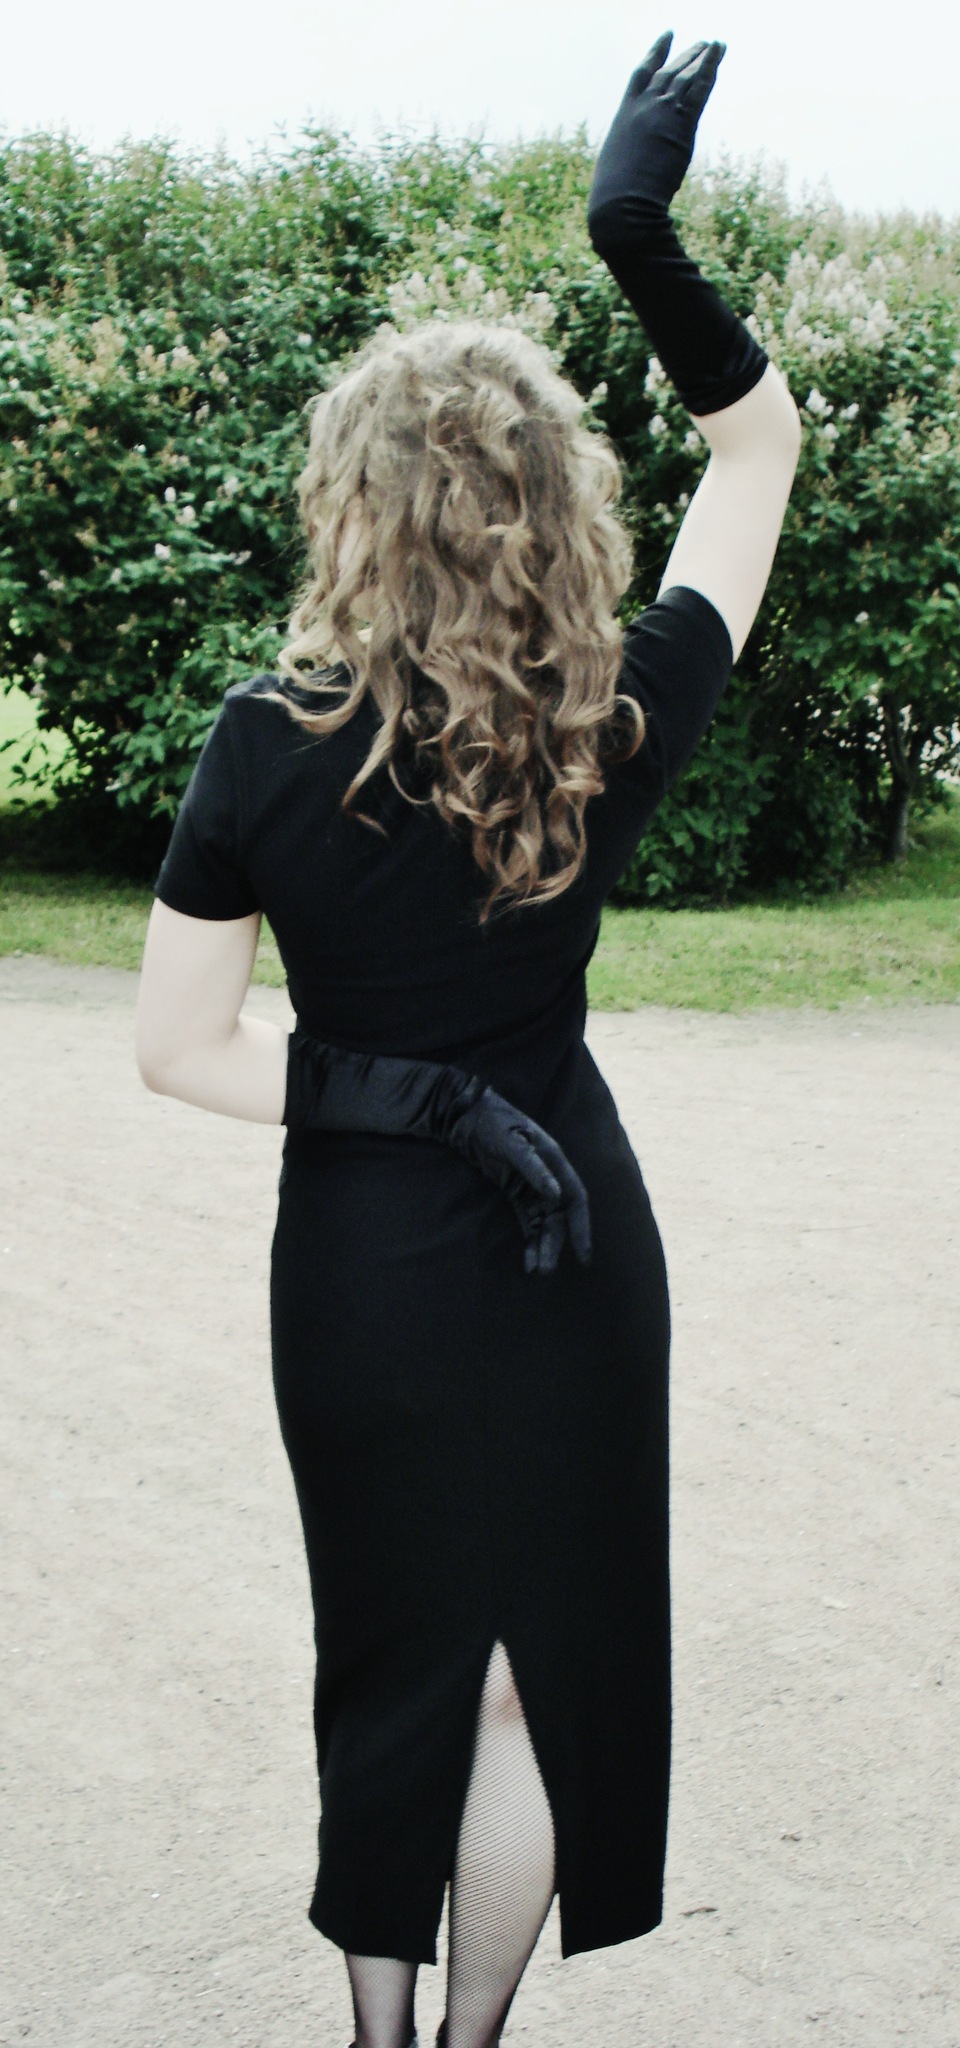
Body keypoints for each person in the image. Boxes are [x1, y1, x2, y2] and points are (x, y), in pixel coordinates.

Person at [135, 32, 801, 2048]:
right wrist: (637, 235)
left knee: (399, 1667)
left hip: (365, 1256)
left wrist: (394, 1094)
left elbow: (178, 1048)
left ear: (354, 509)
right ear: (550, 509)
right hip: (571, 1245)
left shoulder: (266, 745)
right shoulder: (610, 717)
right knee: (525, 1680)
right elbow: (758, 456)